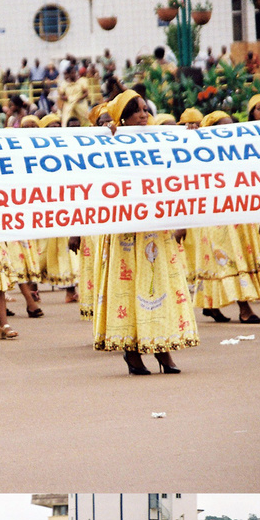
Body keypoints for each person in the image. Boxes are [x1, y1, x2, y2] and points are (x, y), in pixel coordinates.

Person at [91, 90, 197, 374]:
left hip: (155, 228)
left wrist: (190, 136)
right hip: (125, 229)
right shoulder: (110, 142)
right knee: (129, 288)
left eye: (145, 110)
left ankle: (163, 350)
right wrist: (105, 130)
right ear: (124, 117)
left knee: (159, 284)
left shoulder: (159, 140)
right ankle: (132, 351)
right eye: (136, 111)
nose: (143, 115)